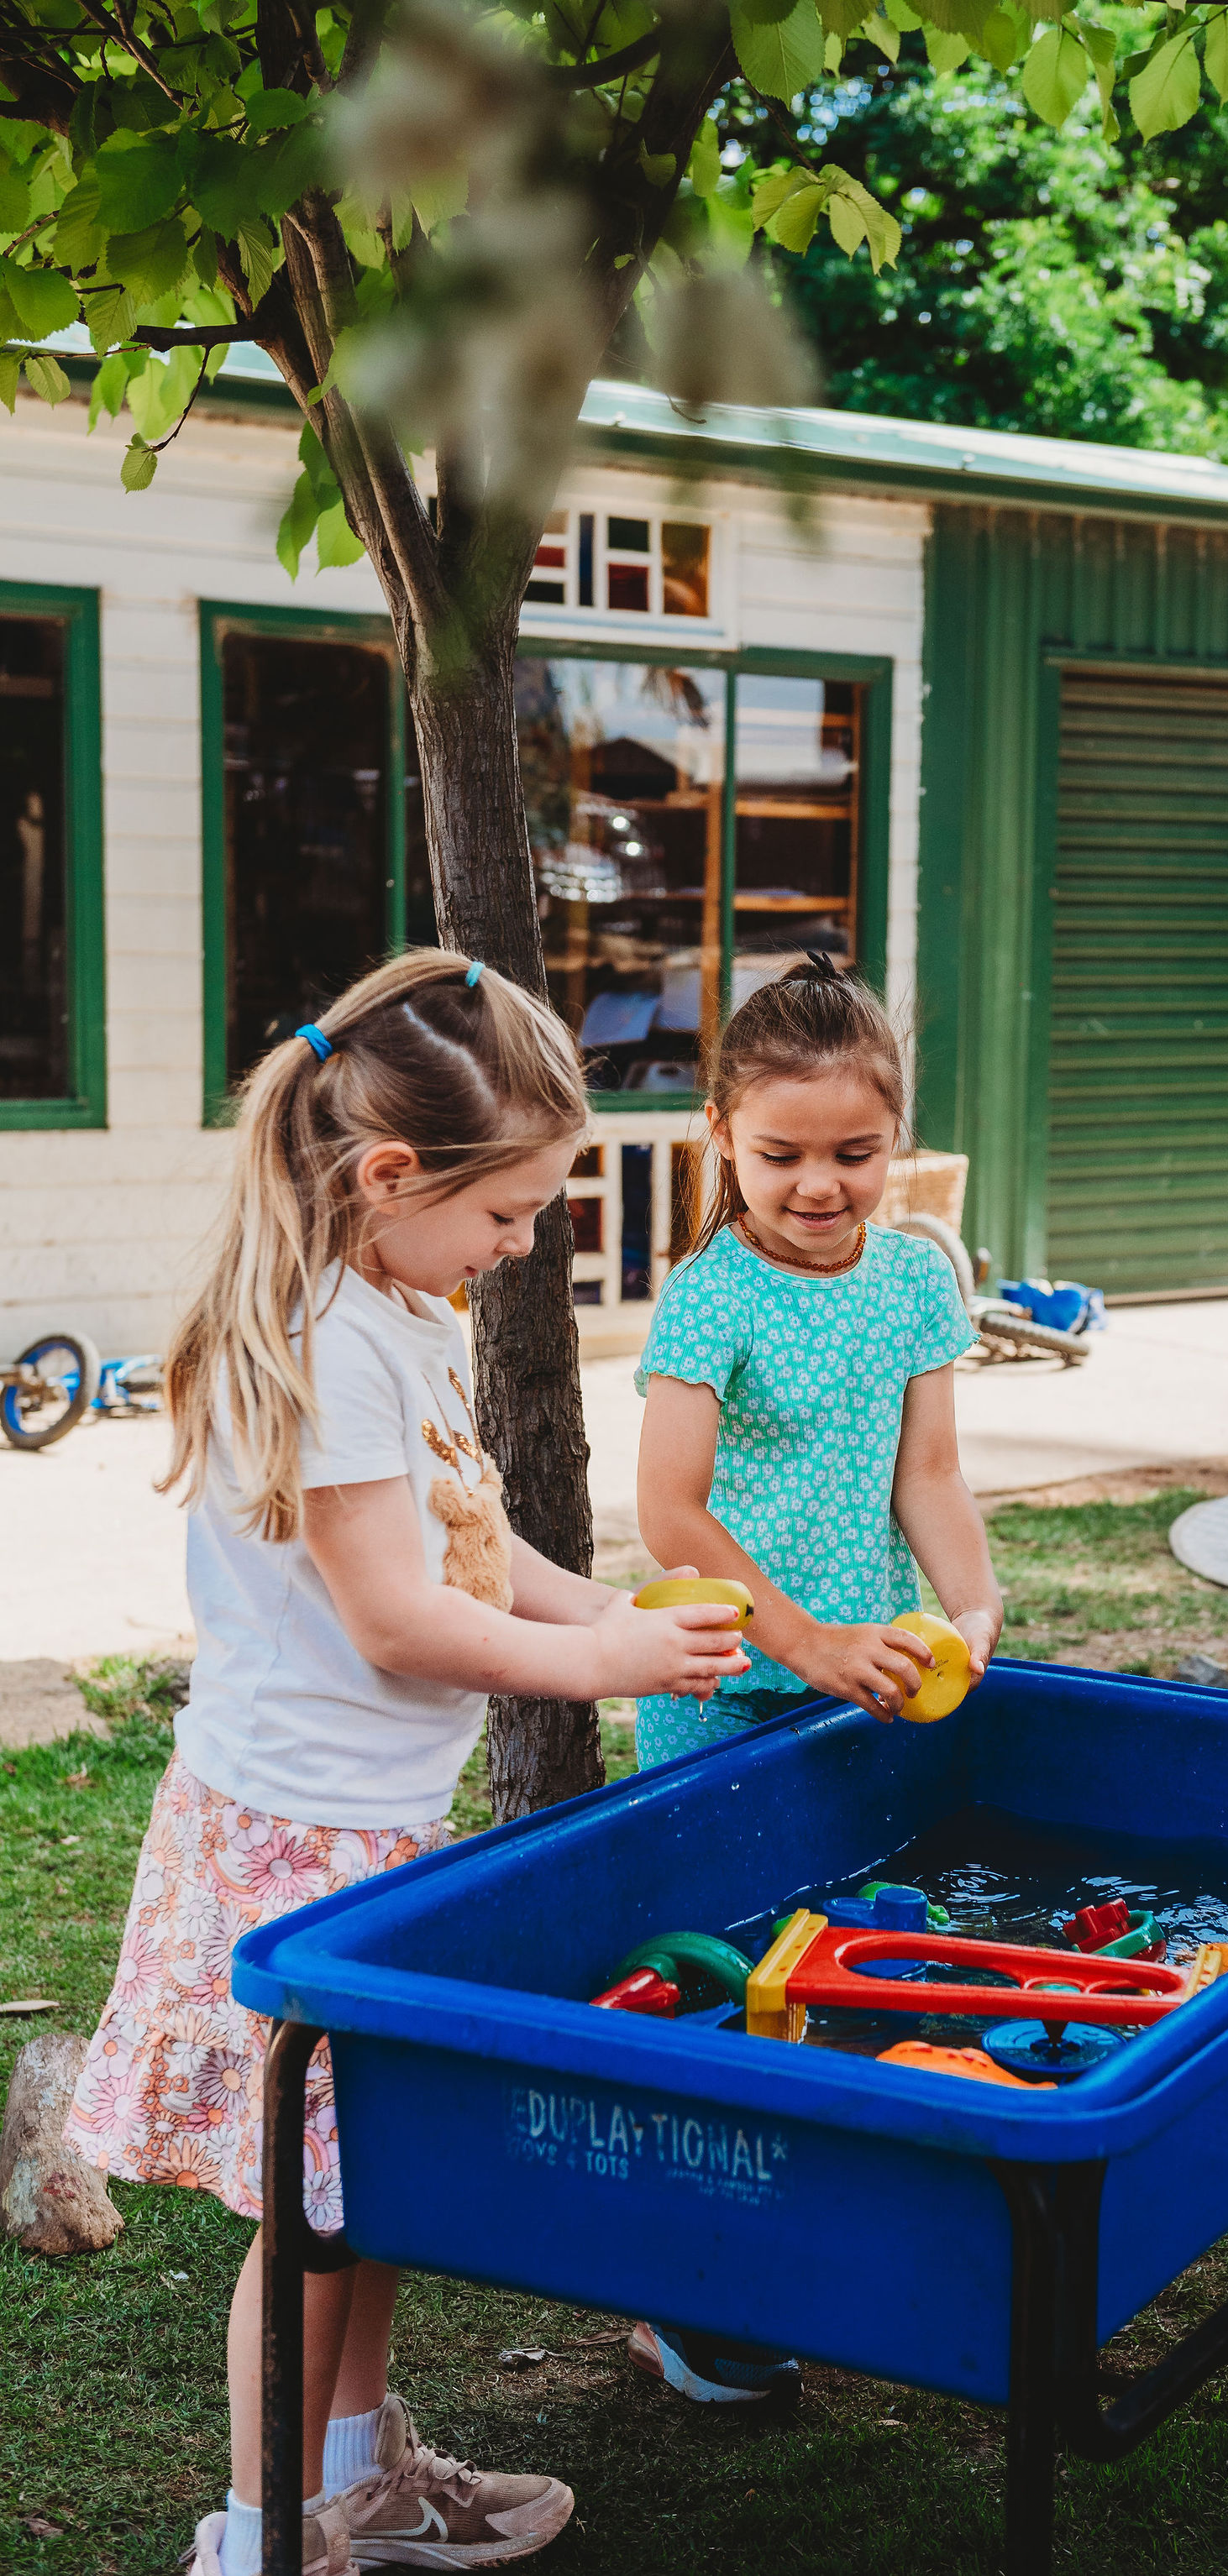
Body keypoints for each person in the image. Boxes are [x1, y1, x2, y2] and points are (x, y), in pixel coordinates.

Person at [66, 951, 748, 2576]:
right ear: (389, 1176)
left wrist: (618, 1606)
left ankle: (357, 2478)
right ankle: (263, 2538)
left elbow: (478, 1550)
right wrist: (599, 1667)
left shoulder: (411, 1307)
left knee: (363, 2186)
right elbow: (394, 1621)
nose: (521, 1247)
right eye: (506, 1214)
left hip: (378, 1829)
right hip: (290, 1841)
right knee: (306, 2221)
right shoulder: (319, 1343)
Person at [625, 954, 1005, 2406]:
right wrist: (809, 1646)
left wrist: (968, 1603)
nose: (820, 1184)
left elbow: (934, 1474)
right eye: (782, 1154)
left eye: (855, 1152)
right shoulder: (710, 1293)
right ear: (721, 1136)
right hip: (730, 1692)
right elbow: (673, 1519)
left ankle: (807, 2256)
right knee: (720, 1989)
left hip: (870, 1693)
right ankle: (683, 2301)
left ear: (895, 1141)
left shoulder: (915, 1275)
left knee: (834, 1973)